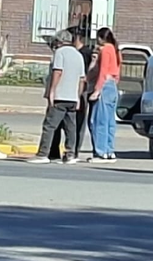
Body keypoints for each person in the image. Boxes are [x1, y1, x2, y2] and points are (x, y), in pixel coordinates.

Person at [28, 28, 86, 164]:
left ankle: (43, 154)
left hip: (60, 96)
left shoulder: (60, 53)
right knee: (70, 127)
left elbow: (57, 72)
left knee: (49, 126)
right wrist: (77, 97)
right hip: (72, 97)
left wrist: (52, 91)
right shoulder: (78, 55)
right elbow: (82, 79)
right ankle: (70, 154)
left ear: (59, 41)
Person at [49, 27, 94, 160]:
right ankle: (63, 152)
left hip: (68, 94)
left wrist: (52, 91)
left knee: (63, 125)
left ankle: (68, 152)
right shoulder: (75, 54)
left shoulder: (82, 53)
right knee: (65, 125)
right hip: (70, 93)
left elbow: (60, 72)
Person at [88, 27, 121, 163]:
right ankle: (109, 150)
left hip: (105, 84)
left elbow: (102, 71)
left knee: (98, 120)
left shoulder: (106, 49)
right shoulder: (115, 49)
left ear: (101, 38)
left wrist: (97, 90)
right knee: (109, 121)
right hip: (112, 84)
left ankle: (100, 152)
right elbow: (118, 70)